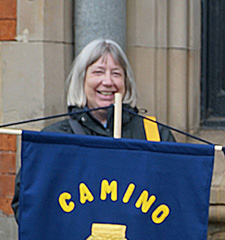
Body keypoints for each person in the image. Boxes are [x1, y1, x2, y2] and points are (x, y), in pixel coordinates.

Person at [11, 39, 175, 219]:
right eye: (98, 72)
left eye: (116, 73)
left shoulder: (156, 135)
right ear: (82, 80)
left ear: (126, 82)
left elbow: (177, 199)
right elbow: (27, 206)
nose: (108, 81)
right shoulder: (55, 138)